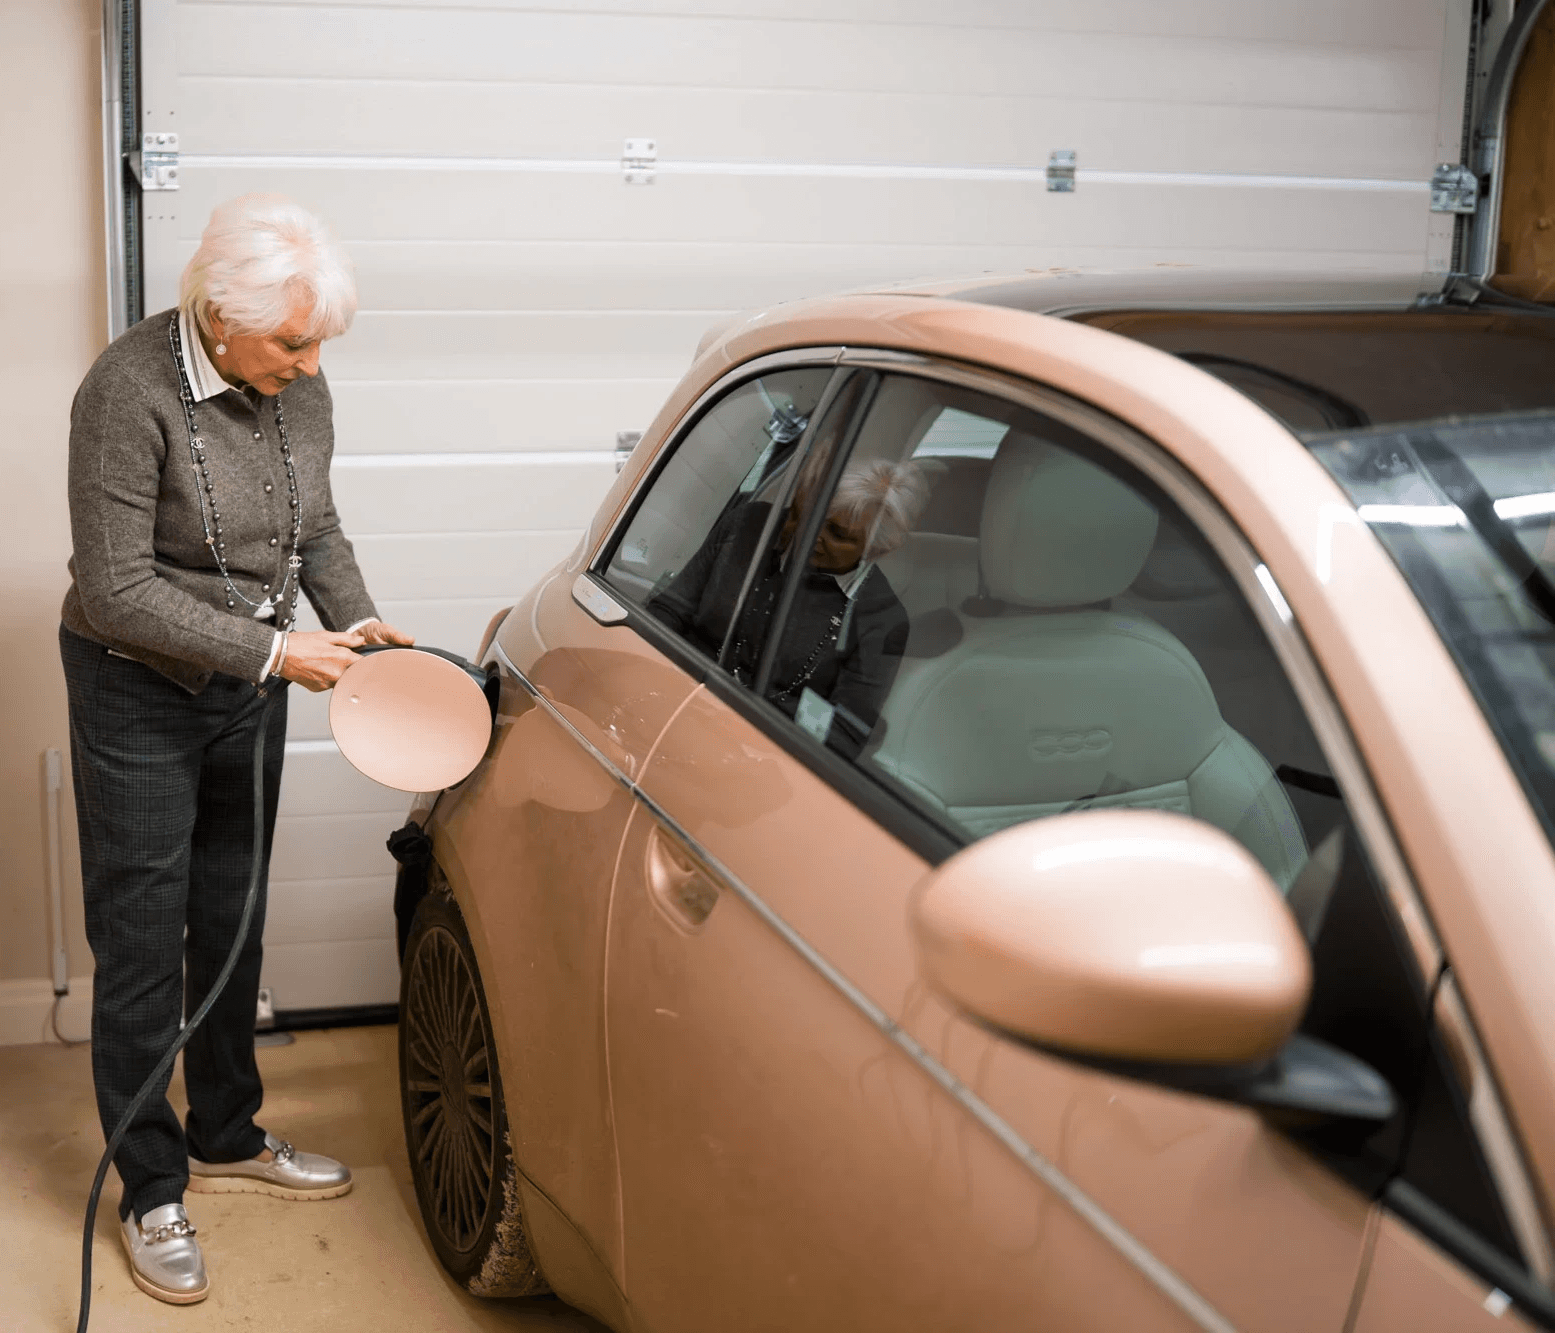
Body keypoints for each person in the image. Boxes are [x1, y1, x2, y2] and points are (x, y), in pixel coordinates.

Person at [58, 194, 414, 1306]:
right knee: (140, 940)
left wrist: (356, 624)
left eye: (319, 344)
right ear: (218, 314)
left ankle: (226, 1132)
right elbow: (115, 590)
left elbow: (316, 528)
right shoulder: (126, 394)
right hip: (137, 690)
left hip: (255, 677)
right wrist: (277, 654)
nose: (310, 367)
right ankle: (150, 1186)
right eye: (292, 342)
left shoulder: (293, 382)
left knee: (232, 914)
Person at [649, 458, 932, 756]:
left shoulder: (881, 617)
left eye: (838, 534)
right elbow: (668, 610)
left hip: (761, 748)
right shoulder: (750, 527)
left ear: (877, 550)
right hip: (670, 694)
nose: (811, 536)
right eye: (813, 515)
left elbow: (845, 731)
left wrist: (757, 708)